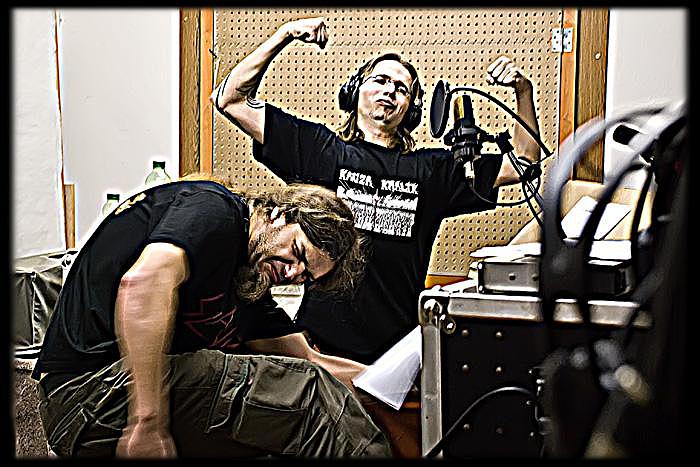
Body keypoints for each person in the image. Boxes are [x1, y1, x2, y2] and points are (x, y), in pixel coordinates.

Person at [211, 17, 542, 364]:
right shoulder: (319, 150)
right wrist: (284, 34)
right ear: (355, 91)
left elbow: (523, 161)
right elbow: (230, 100)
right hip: (319, 346)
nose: (390, 90)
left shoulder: (433, 171)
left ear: (411, 109)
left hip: (395, 353)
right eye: (380, 80)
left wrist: (523, 90)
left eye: (402, 88)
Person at [32, 178, 392, 458]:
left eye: (305, 276)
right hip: (87, 394)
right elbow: (144, 283)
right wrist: (147, 423)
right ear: (281, 214)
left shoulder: (248, 286)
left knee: (283, 429)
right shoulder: (214, 210)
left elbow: (311, 360)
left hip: (104, 407)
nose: (293, 272)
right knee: (310, 396)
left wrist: (398, 385)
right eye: (297, 252)